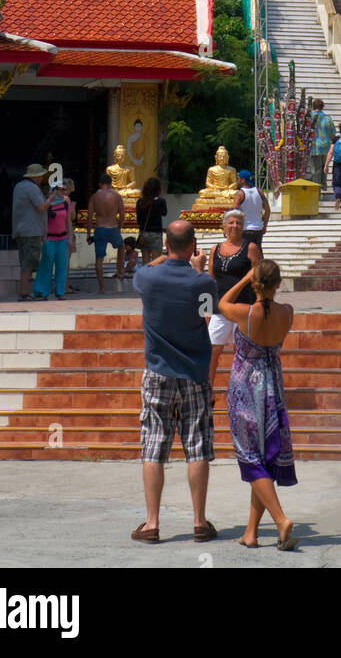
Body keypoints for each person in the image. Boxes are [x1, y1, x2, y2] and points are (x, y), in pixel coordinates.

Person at [131, 219, 220, 544]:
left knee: (153, 446)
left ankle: (152, 523)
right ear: (193, 245)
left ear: (166, 244)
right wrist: (196, 270)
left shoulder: (148, 278)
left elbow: (145, 270)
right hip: (195, 372)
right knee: (196, 446)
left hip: (157, 371)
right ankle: (199, 521)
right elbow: (207, 317)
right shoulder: (203, 283)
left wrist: (165, 258)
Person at [218, 259, 297, 550]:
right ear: (278, 284)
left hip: (246, 388)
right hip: (273, 384)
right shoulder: (288, 313)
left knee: (250, 455)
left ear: (255, 283)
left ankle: (280, 519)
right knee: (264, 456)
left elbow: (222, 302)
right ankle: (251, 532)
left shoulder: (245, 313)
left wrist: (243, 280)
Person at [206, 209, 262, 391]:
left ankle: (245, 391)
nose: (234, 226)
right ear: (224, 226)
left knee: (244, 351)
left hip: (244, 307)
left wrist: (261, 306)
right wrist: (205, 311)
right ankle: (207, 389)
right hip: (219, 309)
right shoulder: (215, 249)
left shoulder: (251, 248)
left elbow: (261, 278)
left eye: (238, 223)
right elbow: (209, 281)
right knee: (213, 349)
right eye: (231, 222)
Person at [12, 163, 50, 302]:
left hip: (22, 230)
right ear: (37, 176)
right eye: (41, 176)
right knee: (29, 262)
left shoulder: (19, 186)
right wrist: (51, 199)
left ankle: (25, 291)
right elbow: (41, 207)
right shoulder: (32, 188)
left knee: (26, 261)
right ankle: (23, 292)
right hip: (31, 231)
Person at [86, 171, 126, 294]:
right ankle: (120, 271)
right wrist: (119, 227)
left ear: (100, 184)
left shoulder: (94, 197)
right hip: (113, 227)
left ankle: (101, 287)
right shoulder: (116, 196)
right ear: (110, 183)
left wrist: (88, 234)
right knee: (121, 246)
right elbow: (123, 215)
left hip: (100, 228)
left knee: (99, 259)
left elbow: (89, 217)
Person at [32, 182, 73, 299]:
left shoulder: (65, 203)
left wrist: (70, 237)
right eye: (60, 189)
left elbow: (68, 221)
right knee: (46, 265)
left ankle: (60, 292)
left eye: (64, 189)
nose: (63, 192)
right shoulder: (47, 204)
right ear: (53, 190)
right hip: (49, 238)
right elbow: (41, 220)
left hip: (62, 238)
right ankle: (42, 292)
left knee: (62, 265)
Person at [136, 177, 168, 263]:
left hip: (143, 232)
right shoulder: (160, 201)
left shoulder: (140, 201)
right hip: (156, 232)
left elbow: (138, 220)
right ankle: (154, 276)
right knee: (156, 260)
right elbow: (164, 213)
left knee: (145, 260)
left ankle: (145, 275)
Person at [234, 170, 269, 249]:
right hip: (258, 229)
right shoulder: (259, 192)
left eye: (238, 178)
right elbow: (267, 210)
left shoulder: (239, 194)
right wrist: (265, 225)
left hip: (245, 229)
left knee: (246, 255)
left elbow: (234, 213)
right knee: (258, 253)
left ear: (243, 180)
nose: (236, 181)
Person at [308, 99, 336, 194]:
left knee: (316, 170)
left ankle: (317, 191)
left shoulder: (309, 118)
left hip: (314, 147)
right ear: (322, 106)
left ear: (313, 106)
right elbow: (333, 134)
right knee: (324, 167)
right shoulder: (328, 118)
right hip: (326, 147)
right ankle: (323, 183)